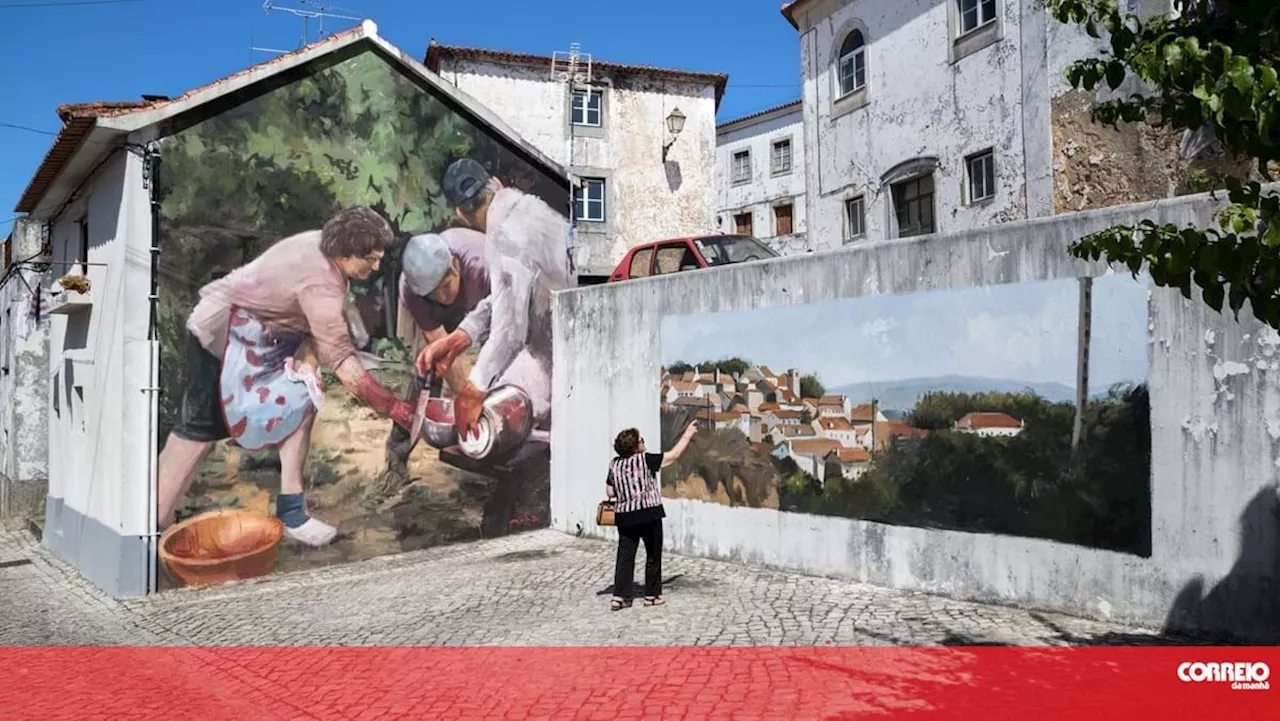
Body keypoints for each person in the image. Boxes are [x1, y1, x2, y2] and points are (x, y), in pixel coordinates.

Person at [156, 206, 417, 547]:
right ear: (346, 251)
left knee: (302, 397)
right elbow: (344, 364)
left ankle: (292, 511)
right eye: (370, 258)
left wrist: (307, 355)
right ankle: (151, 525)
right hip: (220, 338)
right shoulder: (321, 283)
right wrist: (394, 408)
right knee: (196, 434)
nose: (377, 266)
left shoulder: (320, 248)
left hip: (265, 342)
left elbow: (310, 324)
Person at [417, 158, 570, 439]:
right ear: (496, 184)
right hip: (560, 339)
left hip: (573, 349)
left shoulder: (504, 236)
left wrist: (474, 389)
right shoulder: (530, 210)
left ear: (460, 213)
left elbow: (510, 330)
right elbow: (508, 299)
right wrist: (459, 338)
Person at [379, 227, 488, 486]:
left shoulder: (483, 264)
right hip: (439, 317)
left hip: (486, 302)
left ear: (454, 266)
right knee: (427, 372)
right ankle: (397, 457)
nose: (441, 297)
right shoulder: (413, 289)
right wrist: (466, 398)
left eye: (445, 286)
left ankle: (491, 440)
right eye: (433, 294)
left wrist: (476, 398)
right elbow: (441, 349)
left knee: (500, 367)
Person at [606, 422, 698, 610]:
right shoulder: (646, 459)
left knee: (625, 556)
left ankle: (619, 596)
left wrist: (627, 489)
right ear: (635, 447)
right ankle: (651, 596)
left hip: (625, 516)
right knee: (653, 555)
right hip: (649, 513)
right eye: (641, 440)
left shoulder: (614, 464)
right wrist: (688, 434)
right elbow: (673, 456)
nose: (643, 442)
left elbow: (609, 492)